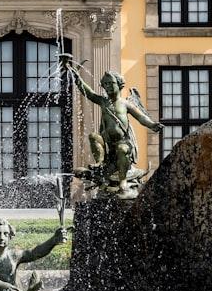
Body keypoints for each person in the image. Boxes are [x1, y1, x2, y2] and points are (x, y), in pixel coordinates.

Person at [61, 56, 163, 198]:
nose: (108, 86)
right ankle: (100, 163)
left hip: (123, 142)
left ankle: (122, 182)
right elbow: (88, 92)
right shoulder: (103, 101)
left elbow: (141, 117)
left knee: (122, 149)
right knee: (93, 136)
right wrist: (76, 77)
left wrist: (152, 125)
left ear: (120, 84)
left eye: (111, 83)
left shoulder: (126, 104)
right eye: (106, 84)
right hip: (108, 143)